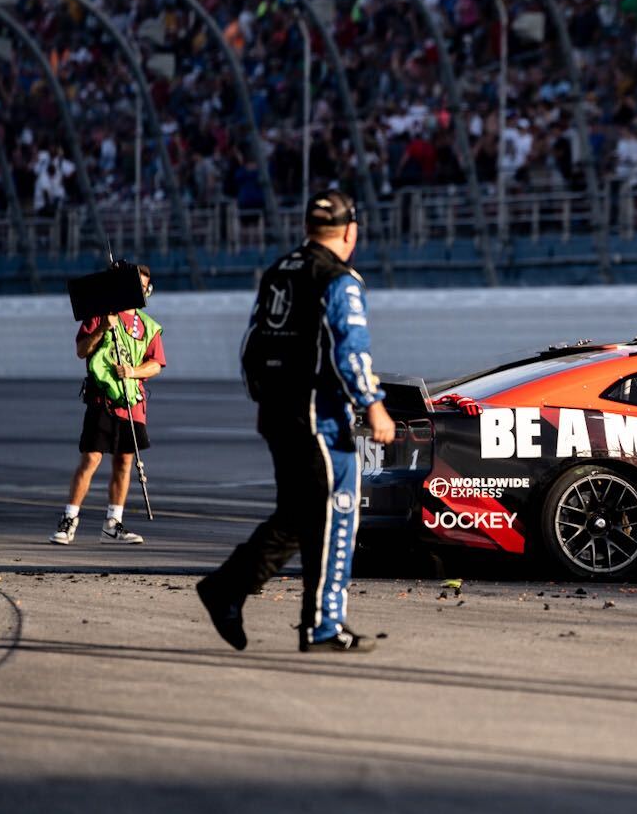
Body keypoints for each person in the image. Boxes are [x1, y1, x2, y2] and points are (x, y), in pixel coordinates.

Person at [197, 192, 396, 653]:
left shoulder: (277, 272)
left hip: (277, 413)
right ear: (351, 232)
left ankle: (228, 589)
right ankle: (323, 626)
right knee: (336, 512)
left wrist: (265, 396)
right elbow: (350, 352)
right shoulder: (339, 280)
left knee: (301, 514)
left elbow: (251, 344)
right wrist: (373, 405)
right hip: (318, 418)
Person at [53, 263, 161, 546]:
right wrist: (103, 327)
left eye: (143, 285)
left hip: (133, 402)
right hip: (103, 399)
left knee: (125, 461)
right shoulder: (99, 313)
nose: (139, 289)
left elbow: (155, 364)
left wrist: (133, 371)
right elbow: (81, 351)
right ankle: (69, 520)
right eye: (134, 283)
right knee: (91, 458)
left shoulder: (148, 327)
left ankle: (113, 524)